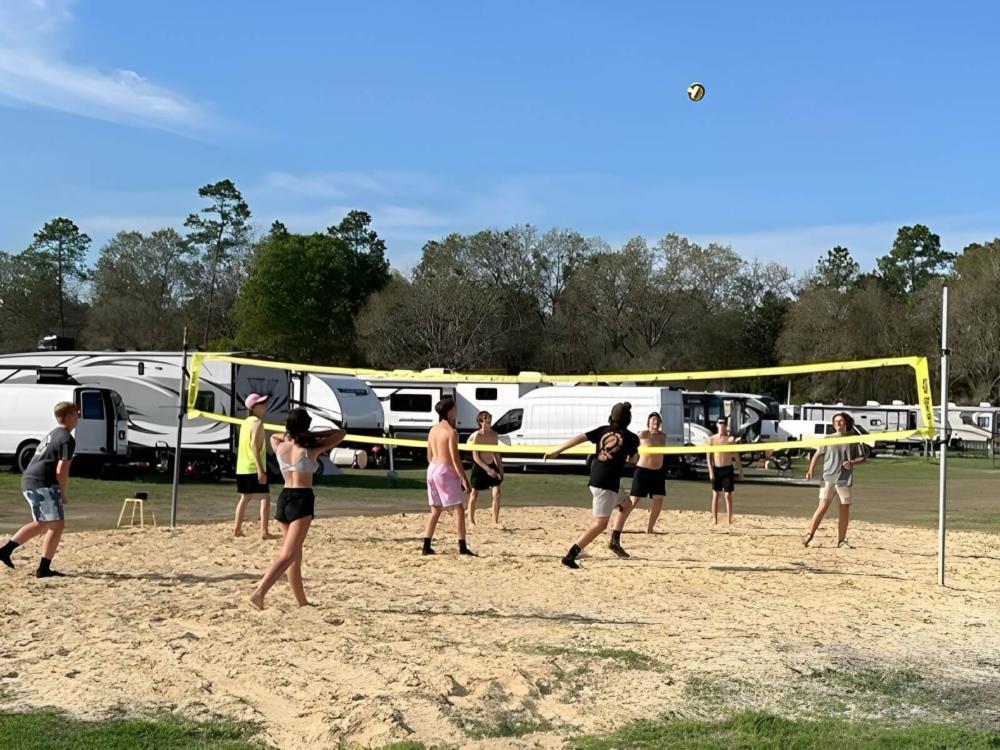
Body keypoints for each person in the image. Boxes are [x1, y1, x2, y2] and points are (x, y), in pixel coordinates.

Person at [249, 409, 344, 609]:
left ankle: (302, 602)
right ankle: (259, 593)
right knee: (289, 554)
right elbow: (340, 434)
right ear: (306, 428)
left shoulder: (281, 446)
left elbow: (274, 436)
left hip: (284, 498)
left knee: (295, 556)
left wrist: (290, 434)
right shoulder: (310, 448)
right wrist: (314, 436)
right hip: (301, 499)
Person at [546, 402, 640, 568]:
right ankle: (571, 554)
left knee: (627, 504)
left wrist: (558, 450)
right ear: (628, 420)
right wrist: (629, 456)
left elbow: (580, 437)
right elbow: (633, 460)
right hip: (607, 483)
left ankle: (614, 541)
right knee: (600, 524)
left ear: (612, 417)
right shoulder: (632, 438)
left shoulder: (603, 430)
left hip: (596, 478)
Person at [0, 401, 80, 578]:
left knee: (43, 523)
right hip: (43, 482)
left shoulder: (54, 434)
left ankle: (5, 550)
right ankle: (43, 569)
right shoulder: (66, 438)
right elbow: (62, 468)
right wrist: (62, 492)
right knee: (57, 525)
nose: (79, 417)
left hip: (30, 480)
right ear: (69, 416)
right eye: (77, 413)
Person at [802, 412, 866, 548]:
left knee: (844, 509)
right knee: (822, 506)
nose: (838, 423)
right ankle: (809, 534)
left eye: (841, 421)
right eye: (835, 421)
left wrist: (852, 462)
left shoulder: (853, 438)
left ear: (846, 423)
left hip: (844, 479)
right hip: (828, 478)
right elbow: (817, 454)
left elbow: (863, 458)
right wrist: (810, 470)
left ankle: (841, 540)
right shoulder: (828, 438)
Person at [423, 398, 476, 556]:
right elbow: (455, 459)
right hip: (445, 470)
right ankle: (462, 546)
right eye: (455, 408)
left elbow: (429, 455)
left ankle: (426, 545)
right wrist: (464, 480)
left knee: (435, 510)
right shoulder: (451, 432)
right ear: (450, 411)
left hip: (432, 468)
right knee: (458, 508)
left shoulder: (433, 429)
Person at [234, 393, 276, 539]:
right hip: (253, 466)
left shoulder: (245, 422)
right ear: (253, 407)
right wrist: (260, 470)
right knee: (265, 498)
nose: (264, 406)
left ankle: (237, 529)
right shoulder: (257, 422)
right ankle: (264, 532)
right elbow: (254, 447)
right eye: (261, 403)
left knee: (244, 498)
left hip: (242, 467)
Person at [623, 412, 668, 533]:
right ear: (648, 422)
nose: (656, 422)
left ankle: (650, 528)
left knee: (658, 499)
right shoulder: (642, 434)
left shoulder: (663, 436)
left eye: (658, 420)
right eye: (654, 420)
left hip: (658, 472)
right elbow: (632, 446)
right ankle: (619, 525)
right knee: (633, 500)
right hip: (642, 470)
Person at [467, 411, 504, 526]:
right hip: (480, 466)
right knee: (474, 494)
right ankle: (471, 521)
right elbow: (475, 456)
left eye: (490, 420)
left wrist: (500, 468)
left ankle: (495, 521)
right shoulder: (477, 435)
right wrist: (488, 469)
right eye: (486, 420)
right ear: (481, 421)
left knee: (497, 494)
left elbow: (496, 453)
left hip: (491, 463)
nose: (488, 423)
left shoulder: (494, 435)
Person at [707, 416, 744, 524]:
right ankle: (714, 519)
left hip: (727, 468)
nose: (722, 425)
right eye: (720, 423)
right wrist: (710, 471)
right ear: (717, 424)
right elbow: (708, 456)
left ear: (726, 425)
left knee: (728, 495)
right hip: (717, 469)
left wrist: (741, 471)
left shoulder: (730, 439)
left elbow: (736, 456)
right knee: (716, 494)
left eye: (724, 423)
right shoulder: (712, 439)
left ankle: (729, 519)